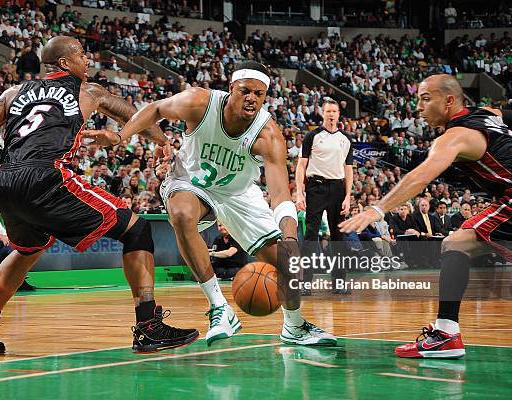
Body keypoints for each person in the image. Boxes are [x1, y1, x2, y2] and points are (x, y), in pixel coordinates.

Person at [0, 36, 197, 355]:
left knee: (27, 250)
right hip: (47, 176)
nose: (88, 60)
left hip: (7, 182)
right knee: (137, 230)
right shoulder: (88, 90)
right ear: (65, 63)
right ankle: (149, 327)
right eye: (82, 55)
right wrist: (162, 141)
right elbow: (132, 115)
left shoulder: (13, 94)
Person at [85, 61, 336, 347]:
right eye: (245, 91)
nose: (252, 98)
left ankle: (294, 325)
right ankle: (219, 308)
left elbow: (280, 195)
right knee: (181, 213)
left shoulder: (268, 135)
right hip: (191, 181)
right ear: (231, 89)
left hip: (239, 194)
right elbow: (155, 109)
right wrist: (120, 137)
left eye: (259, 94)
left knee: (290, 263)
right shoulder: (199, 102)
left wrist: (290, 237)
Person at [340, 74, 512, 358]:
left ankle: (446, 334)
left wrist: (377, 208)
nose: (418, 107)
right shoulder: (489, 114)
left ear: (449, 101)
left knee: (455, 244)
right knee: (461, 240)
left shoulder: (455, 136)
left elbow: (421, 176)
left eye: (426, 99)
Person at [295, 98, 353, 294]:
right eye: (328, 111)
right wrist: (299, 192)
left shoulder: (345, 139)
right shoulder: (312, 136)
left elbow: (349, 169)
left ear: (338, 114)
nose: (331, 114)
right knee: (311, 235)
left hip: (337, 188)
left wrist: (348, 196)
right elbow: (301, 165)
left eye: (334, 111)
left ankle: (339, 282)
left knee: (339, 237)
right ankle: (306, 282)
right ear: (323, 113)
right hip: (316, 187)